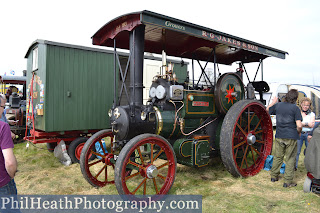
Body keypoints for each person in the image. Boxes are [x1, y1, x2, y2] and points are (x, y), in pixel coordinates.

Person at [266, 89, 302, 188]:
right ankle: (287, 182)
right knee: (290, 158)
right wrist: (298, 132)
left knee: (278, 156)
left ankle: (274, 176)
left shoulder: (278, 105)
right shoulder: (295, 108)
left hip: (279, 135)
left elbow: (268, 110)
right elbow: (299, 125)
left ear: (286, 96)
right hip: (291, 136)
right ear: (295, 98)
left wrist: (273, 102)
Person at [0, 94, 20, 212]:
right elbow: (10, 163)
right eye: (3, 107)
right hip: (3, 184)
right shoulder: (3, 127)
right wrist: (11, 175)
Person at [295, 97, 315, 170]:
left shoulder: (312, 114)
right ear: (301, 105)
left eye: (307, 105)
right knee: (297, 151)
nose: (305, 107)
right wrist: (307, 123)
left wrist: (302, 123)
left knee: (309, 152)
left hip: (308, 134)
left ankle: (310, 167)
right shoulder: (298, 113)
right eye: (304, 105)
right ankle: (295, 167)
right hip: (299, 133)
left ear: (309, 106)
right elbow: (297, 124)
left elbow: (311, 125)